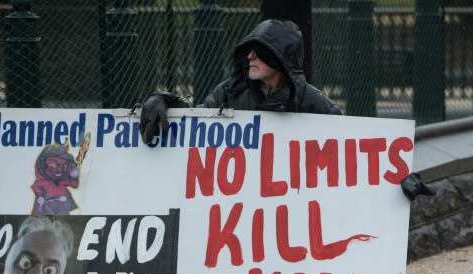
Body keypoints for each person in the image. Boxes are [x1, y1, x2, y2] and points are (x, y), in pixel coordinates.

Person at [139, 18, 434, 201]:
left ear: (281, 59)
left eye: (261, 51)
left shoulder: (313, 103)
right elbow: (197, 131)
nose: (251, 56)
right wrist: (164, 101)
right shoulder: (229, 92)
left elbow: (354, 158)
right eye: (249, 50)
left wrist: (397, 180)